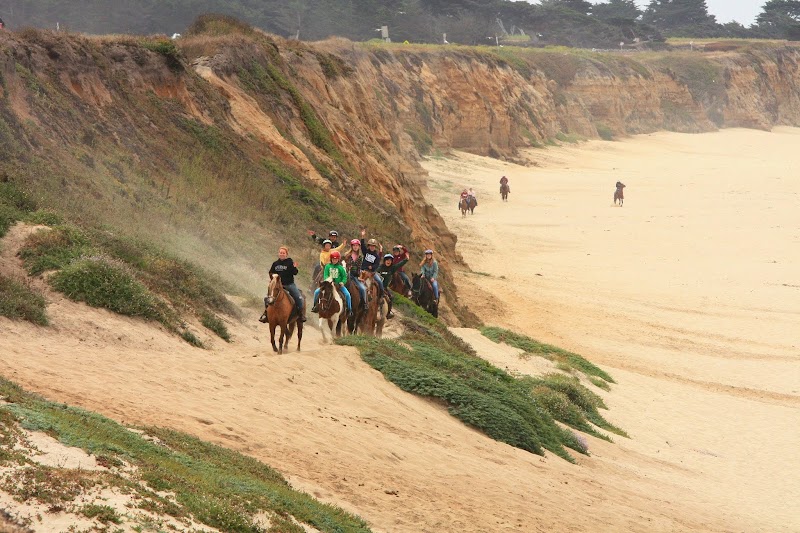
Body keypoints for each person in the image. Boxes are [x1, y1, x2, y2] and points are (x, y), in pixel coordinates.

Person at [265, 246, 306, 322]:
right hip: (277, 286)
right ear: (278, 253)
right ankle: (266, 314)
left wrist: (294, 267)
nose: (282, 254)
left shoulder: (290, 262)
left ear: (286, 254)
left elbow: (295, 273)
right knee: (267, 298)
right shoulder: (275, 264)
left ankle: (301, 314)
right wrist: (273, 276)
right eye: (280, 253)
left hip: (289, 284)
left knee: (299, 298)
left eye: (283, 253)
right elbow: (271, 272)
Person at [311, 251, 352, 316]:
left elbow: (344, 277)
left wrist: (342, 282)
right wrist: (328, 280)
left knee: (347, 295)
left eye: (336, 259)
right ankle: (315, 306)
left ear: (338, 260)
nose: (334, 261)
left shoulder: (341, 268)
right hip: (329, 285)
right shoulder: (327, 266)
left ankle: (349, 310)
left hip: (338, 285)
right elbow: (325, 275)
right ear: (331, 259)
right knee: (316, 292)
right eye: (333, 259)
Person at [346, 238, 368, 312]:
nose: (355, 247)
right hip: (346, 274)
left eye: (357, 245)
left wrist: (358, 276)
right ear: (351, 246)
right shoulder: (347, 255)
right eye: (354, 245)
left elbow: (359, 268)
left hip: (355, 276)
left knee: (363, 288)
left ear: (359, 247)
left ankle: (364, 304)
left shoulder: (360, 257)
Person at [376, 254, 401, 319]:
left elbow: (399, 265)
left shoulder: (391, 269)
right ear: (384, 260)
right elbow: (376, 273)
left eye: (390, 260)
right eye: (387, 260)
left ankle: (388, 313)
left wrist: (406, 259)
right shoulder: (380, 267)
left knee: (391, 298)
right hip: (378, 286)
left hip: (385, 287)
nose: (388, 261)